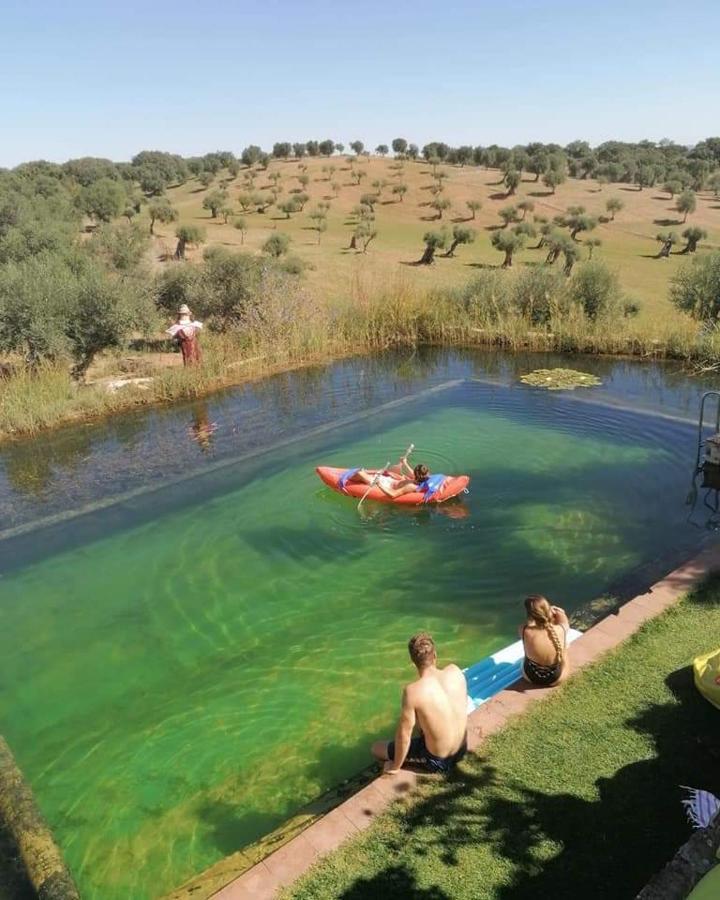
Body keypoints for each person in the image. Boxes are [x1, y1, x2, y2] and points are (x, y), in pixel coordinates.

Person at [372, 633, 468, 775]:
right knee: (424, 718)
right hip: (462, 750)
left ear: (413, 662)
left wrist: (395, 767)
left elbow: (404, 736)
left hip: (440, 762)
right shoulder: (455, 671)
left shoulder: (412, 692)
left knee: (376, 748)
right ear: (435, 655)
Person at [520, 594, 570, 687]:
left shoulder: (524, 630)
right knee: (565, 646)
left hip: (530, 676)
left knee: (527, 650)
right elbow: (563, 619)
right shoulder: (561, 629)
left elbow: (532, 624)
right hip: (556, 678)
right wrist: (556, 611)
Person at [351, 458, 431, 499]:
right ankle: (366, 472)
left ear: (418, 475)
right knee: (389, 472)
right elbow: (412, 473)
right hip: (390, 480)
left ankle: (350, 480)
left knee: (359, 473)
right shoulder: (419, 480)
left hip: (386, 485)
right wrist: (405, 463)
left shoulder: (411, 486)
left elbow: (393, 495)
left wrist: (379, 484)